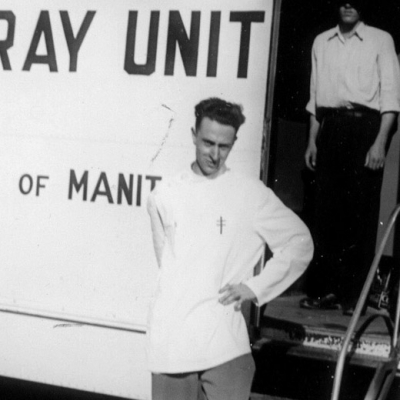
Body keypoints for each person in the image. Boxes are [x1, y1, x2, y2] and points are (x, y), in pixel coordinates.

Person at [146, 97, 313, 400]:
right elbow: (167, 265)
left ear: (234, 142)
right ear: (193, 134)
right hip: (173, 344)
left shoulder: (250, 194)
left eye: (224, 146)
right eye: (208, 142)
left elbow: (299, 243)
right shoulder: (164, 194)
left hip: (225, 345)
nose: (214, 154)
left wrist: (255, 286)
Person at [300, 1, 400, 315]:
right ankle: (325, 290)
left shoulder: (381, 40)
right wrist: (312, 141)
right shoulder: (321, 42)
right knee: (326, 213)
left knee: (360, 214)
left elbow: (391, 99)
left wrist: (379, 143)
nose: (348, 5)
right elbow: (316, 98)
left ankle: (353, 297)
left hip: (366, 130)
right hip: (330, 129)